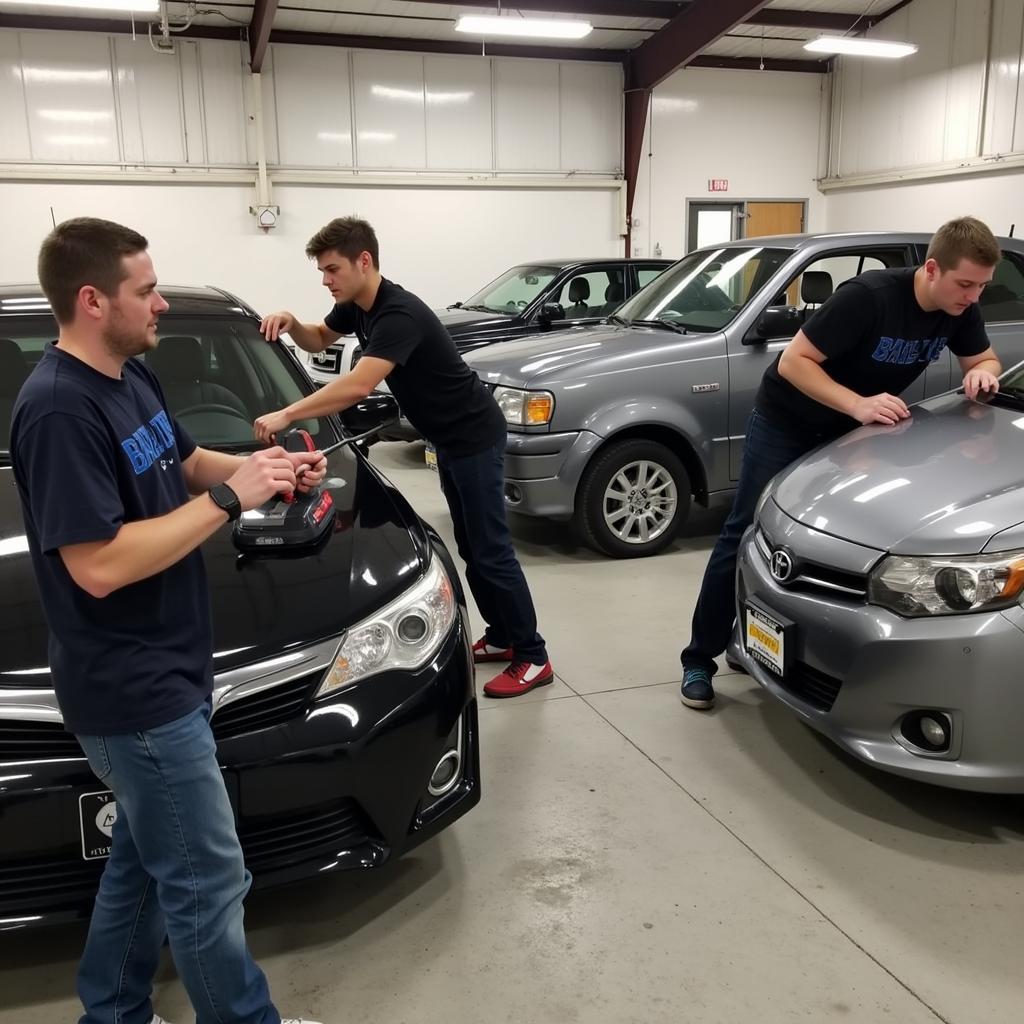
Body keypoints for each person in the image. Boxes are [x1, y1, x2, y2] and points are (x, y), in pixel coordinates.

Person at [10, 217, 325, 1024]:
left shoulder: (129, 377)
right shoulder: (58, 411)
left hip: (174, 669)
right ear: (91, 301)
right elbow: (99, 563)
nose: (158, 304)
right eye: (144, 291)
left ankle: (111, 1010)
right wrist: (230, 501)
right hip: (132, 691)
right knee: (209, 876)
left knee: (147, 862)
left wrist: (267, 469)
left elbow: (184, 464)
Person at [679, 216, 1004, 710]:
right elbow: (794, 362)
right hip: (789, 420)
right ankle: (698, 658)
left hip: (854, 429)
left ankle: (759, 645)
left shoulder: (959, 310)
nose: (973, 296)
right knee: (745, 530)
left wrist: (983, 373)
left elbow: (985, 359)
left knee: (828, 546)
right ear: (933, 269)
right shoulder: (869, 297)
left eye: (982, 286)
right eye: (965, 284)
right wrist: (856, 404)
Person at [254, 216, 553, 698]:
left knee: (492, 549)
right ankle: (502, 636)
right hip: (449, 440)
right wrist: (291, 322)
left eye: (332, 270)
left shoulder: (397, 314)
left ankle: (533, 656)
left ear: (364, 261)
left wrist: (289, 413)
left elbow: (357, 385)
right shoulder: (357, 307)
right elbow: (318, 338)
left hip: (474, 437)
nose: (326, 280)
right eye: (322, 273)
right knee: (473, 546)